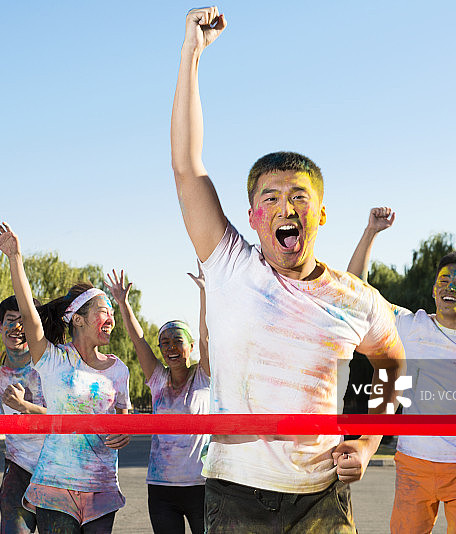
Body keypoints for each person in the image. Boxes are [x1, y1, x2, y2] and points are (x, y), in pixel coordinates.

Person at [170, 7, 407, 532]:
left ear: (320, 214)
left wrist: (368, 443)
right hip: (234, 494)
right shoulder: (230, 263)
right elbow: (188, 167)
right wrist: (191, 55)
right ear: (252, 216)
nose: (285, 208)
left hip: (322, 498)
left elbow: (395, 365)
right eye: (270, 198)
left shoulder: (357, 299)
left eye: (299, 197)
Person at [347, 207, 456, 534]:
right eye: (444, 280)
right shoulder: (409, 326)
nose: (450, 287)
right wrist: (371, 232)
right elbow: (355, 292)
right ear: (433, 290)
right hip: (413, 466)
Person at [0, 222, 131, 534]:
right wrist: (15, 258)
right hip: (56, 485)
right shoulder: (54, 360)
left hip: (101, 484)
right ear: (78, 319)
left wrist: (125, 432)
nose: (111, 319)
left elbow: (122, 417)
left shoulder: (119, 369)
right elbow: (29, 315)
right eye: (103, 311)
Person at [105, 268, 210, 534]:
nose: (171, 348)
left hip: (201, 485)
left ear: (191, 347)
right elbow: (138, 340)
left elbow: (207, 337)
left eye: (178, 341)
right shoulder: (158, 380)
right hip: (162, 488)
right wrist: (123, 303)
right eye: (165, 343)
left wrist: (204, 291)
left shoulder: (204, 376)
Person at [0, 295, 48, 534]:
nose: (16, 328)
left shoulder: (52, 363)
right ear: (0, 325)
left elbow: (67, 415)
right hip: (17, 466)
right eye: (10, 320)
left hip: (58, 467)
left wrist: (25, 406)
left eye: (23, 321)